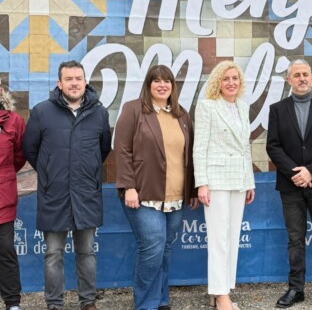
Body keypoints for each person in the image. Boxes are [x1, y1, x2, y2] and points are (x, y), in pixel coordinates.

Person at [23, 60, 111, 310]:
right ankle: (54, 303)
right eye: (69, 79)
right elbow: (30, 149)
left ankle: (88, 302)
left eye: (78, 78)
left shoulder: (99, 113)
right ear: (59, 83)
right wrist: (51, 172)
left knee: (86, 252)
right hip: (54, 194)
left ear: (85, 82)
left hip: (86, 194)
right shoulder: (42, 112)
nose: (74, 83)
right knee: (53, 253)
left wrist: (87, 172)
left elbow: (103, 149)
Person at [114, 64, 198, 310]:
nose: (162, 85)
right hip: (143, 195)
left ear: (173, 86)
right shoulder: (133, 110)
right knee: (152, 248)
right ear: (148, 85)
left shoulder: (181, 115)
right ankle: (146, 304)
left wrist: (192, 189)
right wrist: (128, 186)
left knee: (164, 249)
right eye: (157, 81)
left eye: (167, 81)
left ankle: (161, 300)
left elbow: (190, 154)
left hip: (176, 196)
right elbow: (122, 149)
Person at [266, 59, 312, 310]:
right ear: (288, 79)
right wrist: (295, 174)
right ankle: (296, 289)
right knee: (295, 240)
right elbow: (273, 146)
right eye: (296, 75)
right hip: (291, 186)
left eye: (305, 74)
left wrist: (310, 171)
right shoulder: (277, 109)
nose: (301, 78)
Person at [193, 61, 255, 310]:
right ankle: (221, 295)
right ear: (217, 82)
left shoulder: (243, 106)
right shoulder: (207, 106)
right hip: (216, 179)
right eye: (226, 78)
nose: (231, 83)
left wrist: (249, 182)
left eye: (235, 78)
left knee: (232, 237)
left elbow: (245, 147)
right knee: (218, 239)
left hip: (239, 179)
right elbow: (200, 147)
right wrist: (202, 183)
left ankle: (222, 289)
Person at [0, 84, 26, 310]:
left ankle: (12, 303)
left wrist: (4, 176)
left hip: (3, 198)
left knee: (5, 249)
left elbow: (19, 156)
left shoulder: (14, 121)